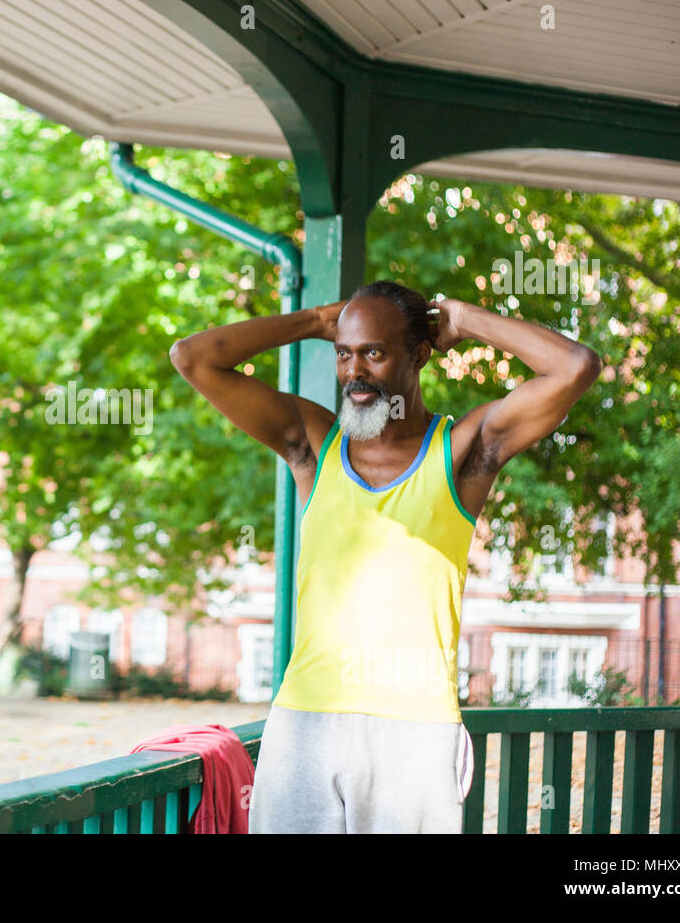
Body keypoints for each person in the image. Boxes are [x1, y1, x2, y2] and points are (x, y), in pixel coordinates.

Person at [170, 280, 602, 833]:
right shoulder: (312, 443)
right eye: (344, 354)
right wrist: (314, 321)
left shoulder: (464, 450)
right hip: (306, 722)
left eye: (373, 353)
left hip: (414, 731)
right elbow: (193, 358)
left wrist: (464, 318)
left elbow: (575, 368)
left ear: (419, 354)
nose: (354, 372)